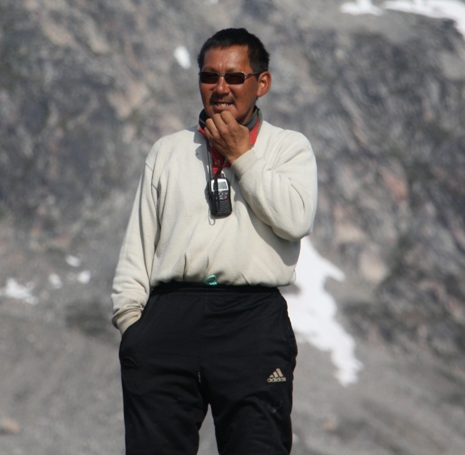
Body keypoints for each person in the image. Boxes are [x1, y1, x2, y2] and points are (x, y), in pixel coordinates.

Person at [111, 27, 318, 455]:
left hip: (251, 320)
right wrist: (134, 326)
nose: (220, 88)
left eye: (234, 77)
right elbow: (139, 243)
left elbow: (295, 220)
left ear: (262, 83)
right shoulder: (168, 151)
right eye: (209, 77)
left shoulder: (288, 148)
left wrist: (242, 155)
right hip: (168, 319)